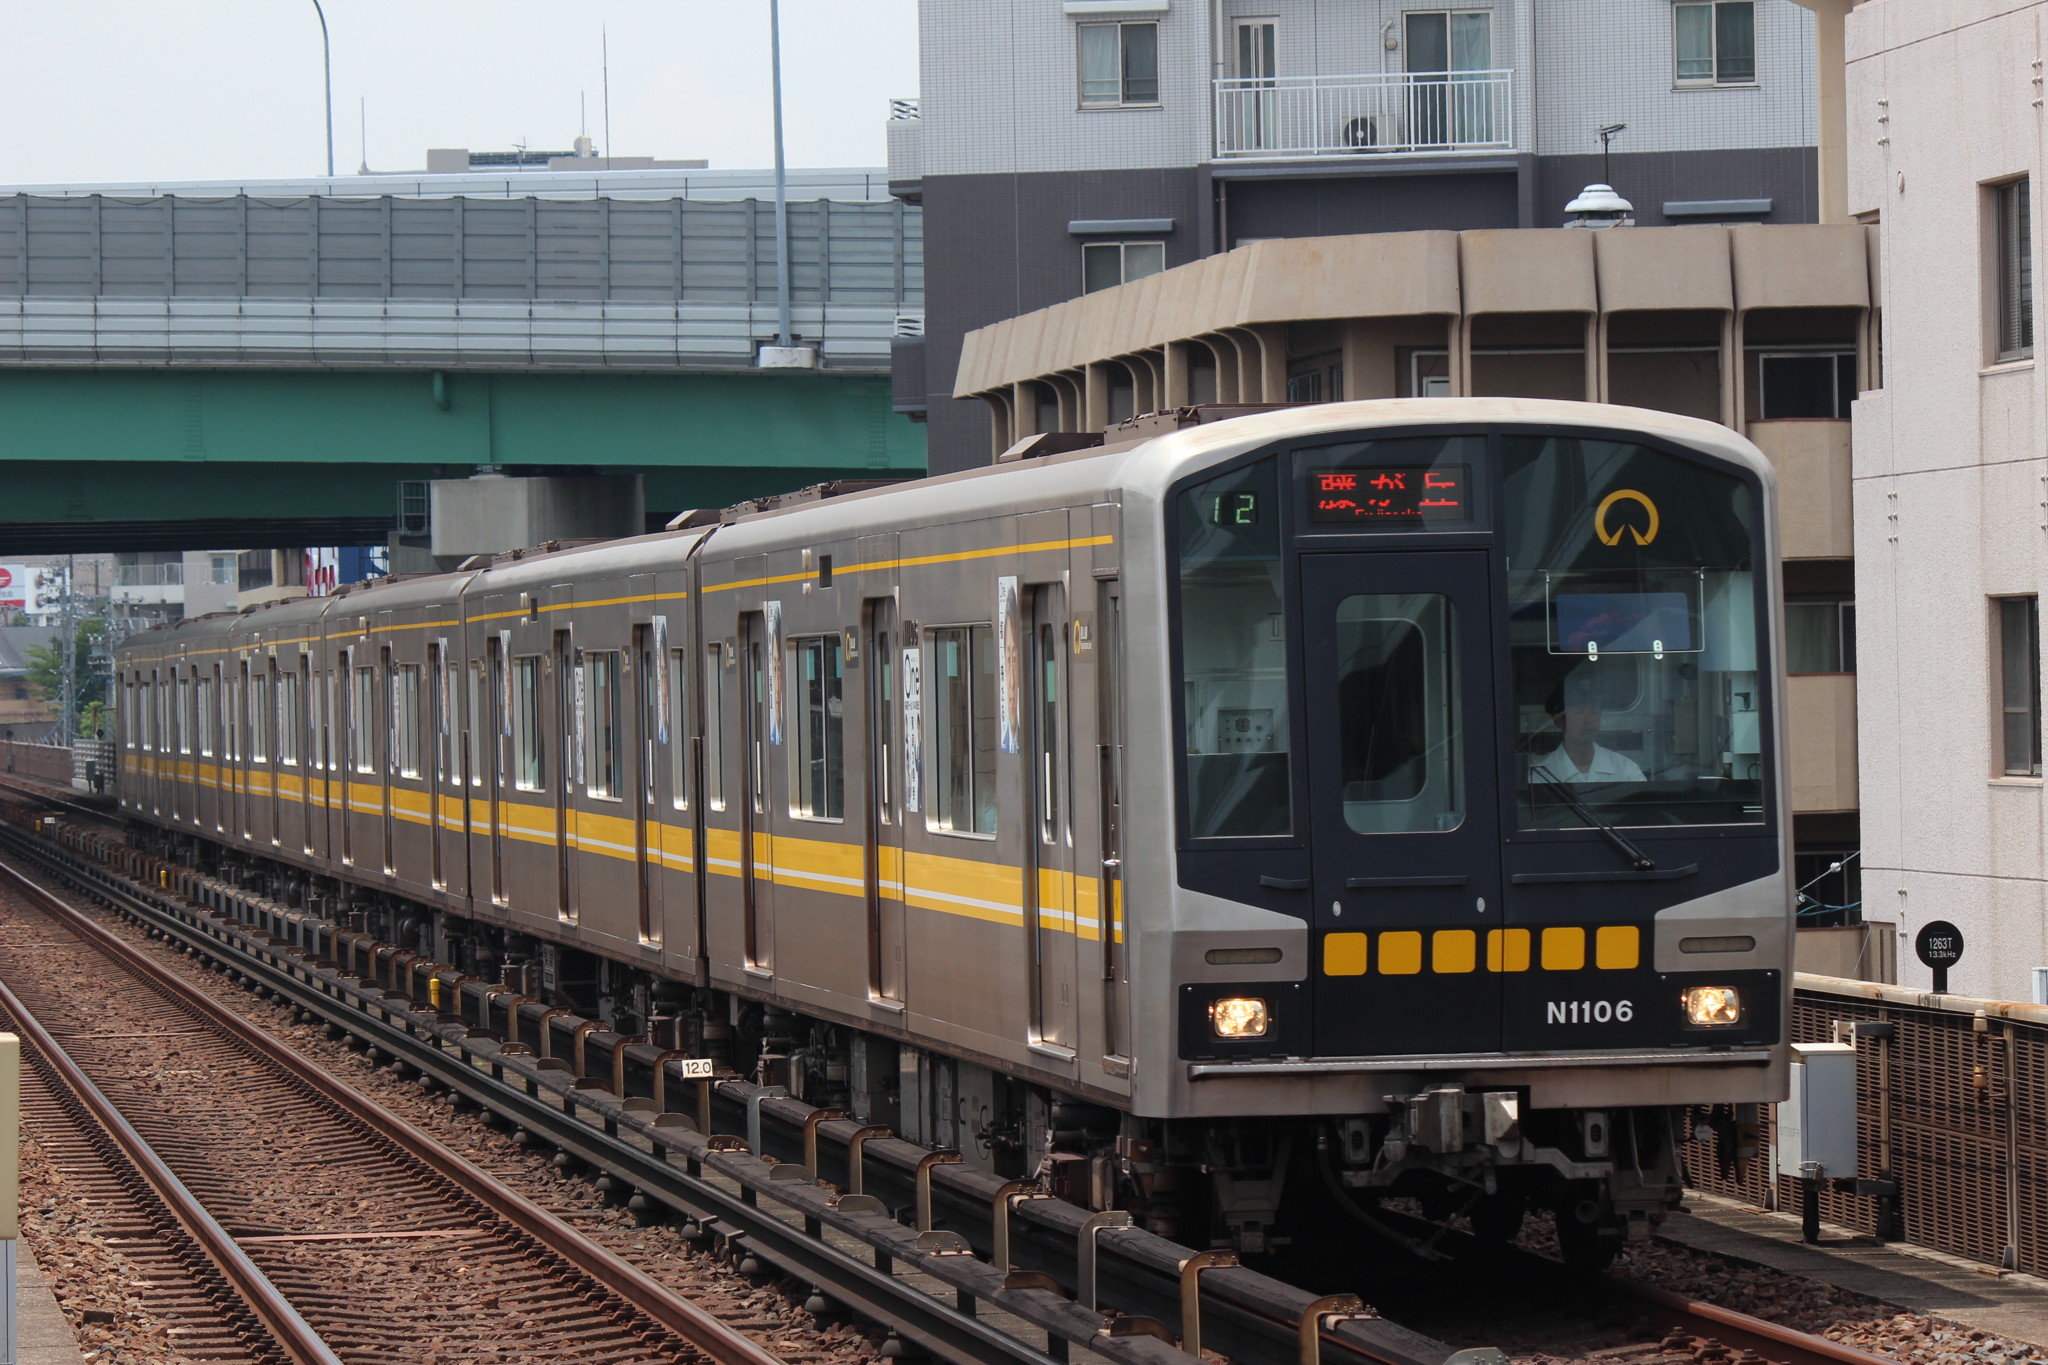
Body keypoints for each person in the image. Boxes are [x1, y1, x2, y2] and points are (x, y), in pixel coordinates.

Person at [1529, 672, 1645, 783]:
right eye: (1579, 711)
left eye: (1594, 711)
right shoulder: (1541, 775)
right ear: (1559, 721)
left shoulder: (1626, 770)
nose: (1588, 720)